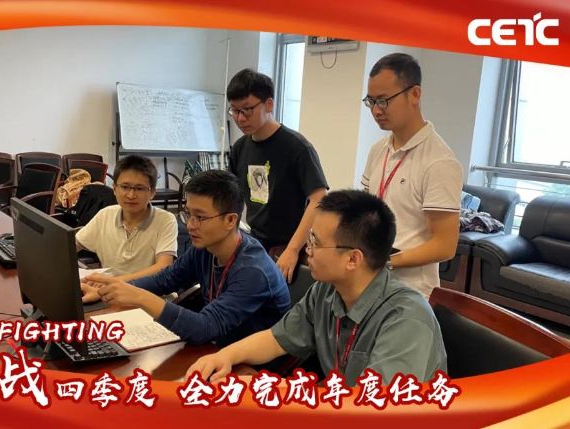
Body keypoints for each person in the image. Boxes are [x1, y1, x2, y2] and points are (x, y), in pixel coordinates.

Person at [186, 190, 446, 385]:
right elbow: (277, 339)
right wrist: (225, 357)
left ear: (353, 259)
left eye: (315, 242)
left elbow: (375, 408)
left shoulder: (406, 319)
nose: (307, 250)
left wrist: (277, 389)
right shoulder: (326, 291)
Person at [84, 170, 291, 346]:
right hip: (220, 349)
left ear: (230, 220)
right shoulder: (205, 247)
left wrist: (139, 297)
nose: (190, 225)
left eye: (199, 217)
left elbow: (205, 328)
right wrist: (110, 289)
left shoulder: (253, 271)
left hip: (256, 368)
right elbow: (165, 279)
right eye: (188, 214)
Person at [361, 53, 463, 298]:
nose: (376, 110)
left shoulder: (439, 161)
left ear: (415, 94)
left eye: (383, 100)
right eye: (371, 101)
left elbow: (445, 245)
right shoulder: (378, 150)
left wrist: (387, 262)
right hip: (371, 280)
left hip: (411, 292)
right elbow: (366, 211)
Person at [227, 68, 328, 283]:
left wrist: (292, 249)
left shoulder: (297, 147)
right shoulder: (239, 148)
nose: (240, 118)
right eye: (234, 111)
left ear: (269, 104)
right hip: (255, 243)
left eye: (247, 110)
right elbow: (231, 199)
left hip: (290, 247)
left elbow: (319, 199)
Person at [75, 154, 178, 282]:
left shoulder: (166, 220)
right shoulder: (105, 215)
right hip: (108, 289)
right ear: (114, 188)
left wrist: (116, 282)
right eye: (125, 187)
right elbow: (71, 246)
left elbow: (163, 266)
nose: (131, 195)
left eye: (139, 188)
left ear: (152, 192)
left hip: (148, 291)